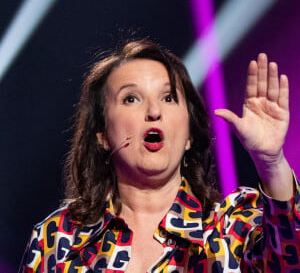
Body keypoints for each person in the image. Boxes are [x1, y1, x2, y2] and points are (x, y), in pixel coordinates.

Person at [20, 39, 300, 272]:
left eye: (168, 98)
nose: (154, 111)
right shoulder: (59, 239)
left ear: (189, 135)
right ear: (102, 134)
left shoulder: (230, 228)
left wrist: (271, 163)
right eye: (131, 98)